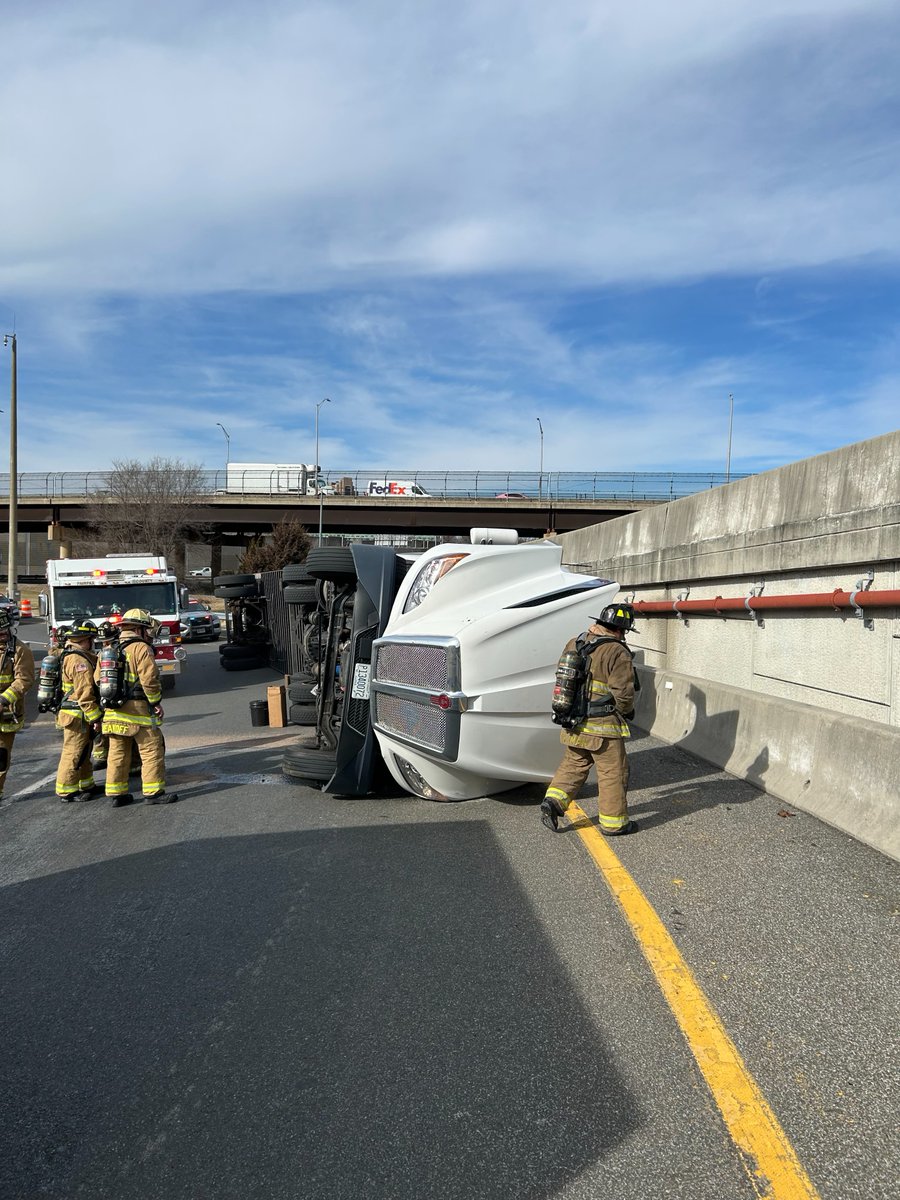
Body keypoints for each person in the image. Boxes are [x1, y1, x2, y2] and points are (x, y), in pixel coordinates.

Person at [540, 602, 639, 836]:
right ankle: (614, 824)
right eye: (624, 631)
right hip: (603, 727)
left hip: (573, 721)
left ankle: (552, 802)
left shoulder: (575, 642)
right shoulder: (617, 651)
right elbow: (623, 693)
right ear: (619, 629)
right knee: (613, 773)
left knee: (574, 765)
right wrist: (626, 710)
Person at [96, 608, 177, 807]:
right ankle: (153, 792)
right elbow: (149, 679)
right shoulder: (141, 648)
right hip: (137, 710)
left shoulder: (109, 648)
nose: (148, 634)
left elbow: (97, 679)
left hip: (113, 710)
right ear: (139, 629)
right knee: (151, 749)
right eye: (146, 630)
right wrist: (155, 701)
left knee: (117, 752)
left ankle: (117, 794)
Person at [55, 619, 103, 802]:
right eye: (92, 638)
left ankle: (86, 784)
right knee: (73, 752)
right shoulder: (78, 660)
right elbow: (84, 693)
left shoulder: (74, 654)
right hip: (77, 715)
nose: (94, 642)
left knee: (84, 751)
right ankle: (66, 790)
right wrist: (95, 717)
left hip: (78, 714)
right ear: (86, 639)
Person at [0, 606, 36, 802]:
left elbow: (24, 680)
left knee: (1, 755)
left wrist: (4, 699)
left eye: (5, 631)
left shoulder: (20, 651)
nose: (3, 635)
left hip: (6, 713)